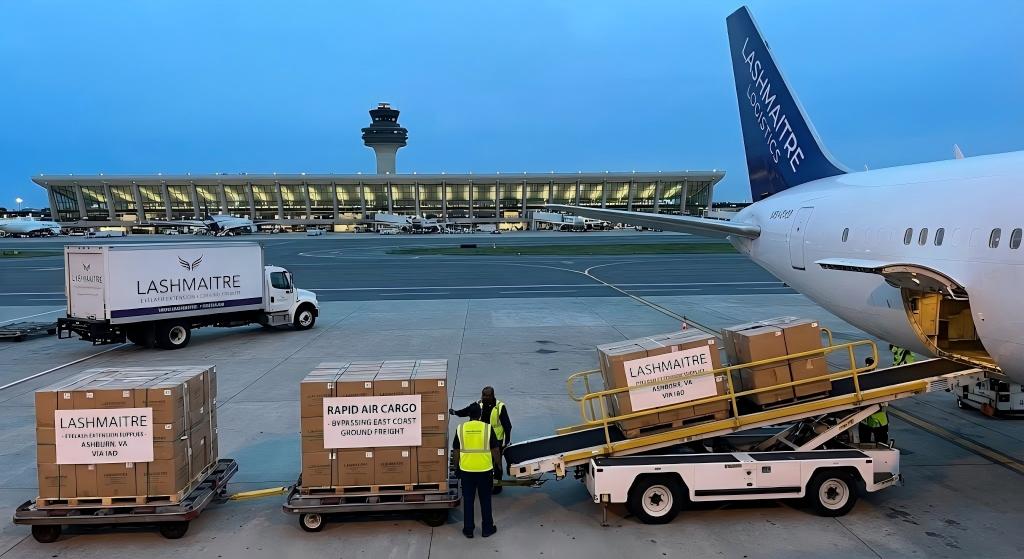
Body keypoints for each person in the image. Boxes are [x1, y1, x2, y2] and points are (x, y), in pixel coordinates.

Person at [451, 386, 512, 493]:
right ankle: (483, 483)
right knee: (484, 462)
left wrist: (507, 441)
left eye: (488, 395)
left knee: (496, 463)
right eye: (484, 395)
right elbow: (467, 411)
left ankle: (498, 486)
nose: (485, 397)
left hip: (496, 439)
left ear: (493, 395)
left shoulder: (500, 407)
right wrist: (455, 412)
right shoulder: (479, 404)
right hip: (482, 438)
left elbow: (507, 425)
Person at [453, 403, 499, 538]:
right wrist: (499, 466)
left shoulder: (460, 428)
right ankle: (487, 529)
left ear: (469, 415)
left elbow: (456, 451)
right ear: (480, 414)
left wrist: (456, 467)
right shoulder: (488, 428)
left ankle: (468, 530)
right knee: (485, 500)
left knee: (468, 500)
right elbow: (495, 450)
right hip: (485, 470)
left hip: (466, 470)